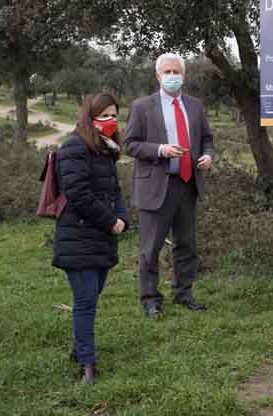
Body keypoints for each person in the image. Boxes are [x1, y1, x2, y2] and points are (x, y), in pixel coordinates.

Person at [125, 53, 214, 318]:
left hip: (188, 184)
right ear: (158, 75)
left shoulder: (196, 106)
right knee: (150, 247)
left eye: (177, 72)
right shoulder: (142, 107)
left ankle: (183, 294)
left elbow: (207, 139)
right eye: (168, 72)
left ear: (184, 75)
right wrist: (160, 149)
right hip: (156, 186)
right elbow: (130, 144)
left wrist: (209, 155)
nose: (173, 76)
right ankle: (150, 299)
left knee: (186, 244)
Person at [53, 93, 128, 384]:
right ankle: (87, 365)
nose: (110, 121)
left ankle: (78, 349)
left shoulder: (106, 149)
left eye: (114, 115)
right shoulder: (74, 147)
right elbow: (78, 194)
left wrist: (123, 217)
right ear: (88, 116)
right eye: (104, 115)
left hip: (101, 237)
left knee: (90, 297)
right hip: (79, 236)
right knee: (85, 301)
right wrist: (111, 221)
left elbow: (114, 191)